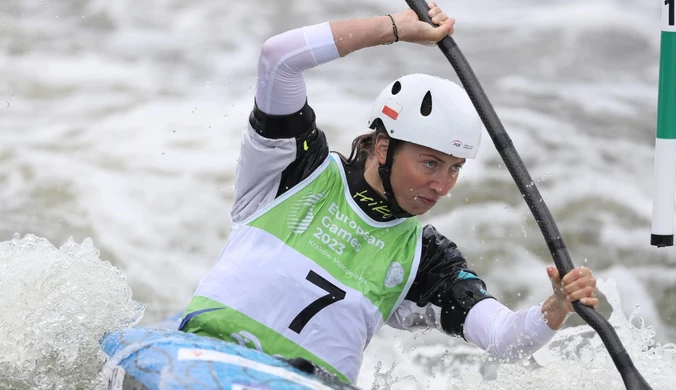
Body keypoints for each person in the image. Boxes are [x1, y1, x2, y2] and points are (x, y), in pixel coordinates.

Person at [179, 2, 598, 385]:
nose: (442, 185)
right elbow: (279, 58)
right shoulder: (294, 168)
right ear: (384, 147)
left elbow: (505, 338)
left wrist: (556, 308)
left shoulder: (425, 259)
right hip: (200, 363)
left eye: (455, 169)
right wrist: (395, 28)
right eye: (430, 163)